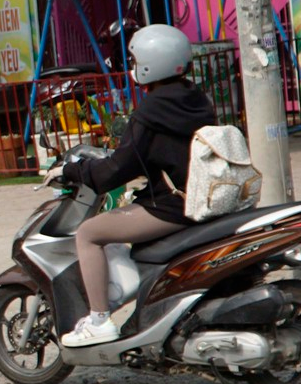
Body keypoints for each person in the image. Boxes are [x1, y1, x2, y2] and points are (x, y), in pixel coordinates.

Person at [56, 24, 216, 347]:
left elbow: (116, 170)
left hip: (172, 207)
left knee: (89, 234)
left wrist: (76, 171)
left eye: (134, 61)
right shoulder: (197, 99)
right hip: (202, 199)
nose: (131, 68)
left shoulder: (151, 110)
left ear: (149, 65)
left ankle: (99, 319)